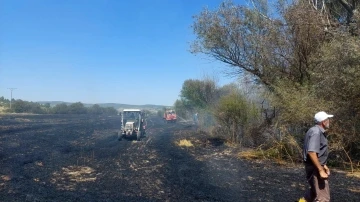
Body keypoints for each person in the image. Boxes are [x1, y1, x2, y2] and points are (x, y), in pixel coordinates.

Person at [302, 111, 334, 202]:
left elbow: (318, 153)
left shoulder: (314, 130)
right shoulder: (316, 132)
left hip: (315, 166)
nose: (329, 121)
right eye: (328, 119)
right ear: (323, 122)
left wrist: (324, 165)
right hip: (315, 168)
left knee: (313, 193)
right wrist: (320, 170)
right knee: (323, 198)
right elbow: (312, 152)